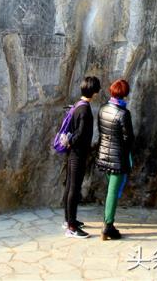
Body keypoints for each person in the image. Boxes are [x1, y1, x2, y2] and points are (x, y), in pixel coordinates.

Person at [96, 78, 134, 240]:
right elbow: (129, 138)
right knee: (113, 191)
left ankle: (108, 223)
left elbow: (102, 131)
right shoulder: (123, 113)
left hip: (104, 155)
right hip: (118, 158)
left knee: (110, 189)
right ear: (124, 94)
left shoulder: (103, 109)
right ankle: (108, 226)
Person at [63, 75, 101, 238]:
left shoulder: (78, 105)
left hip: (73, 153)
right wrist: (71, 141)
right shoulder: (85, 109)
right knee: (74, 188)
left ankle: (68, 220)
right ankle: (71, 227)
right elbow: (80, 133)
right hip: (78, 153)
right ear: (94, 92)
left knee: (70, 186)